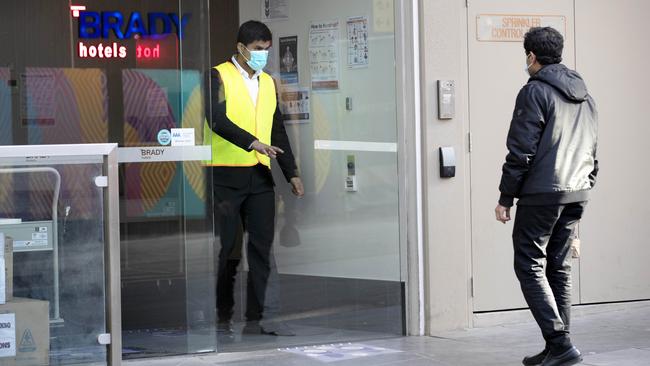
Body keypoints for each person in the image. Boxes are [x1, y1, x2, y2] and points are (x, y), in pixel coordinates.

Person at [494, 27, 598, 366]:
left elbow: (520, 150)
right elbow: (592, 148)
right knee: (558, 268)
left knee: (529, 264)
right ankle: (558, 347)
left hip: (543, 193)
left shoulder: (534, 92)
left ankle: (559, 342)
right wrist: (587, 182)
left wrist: (506, 197)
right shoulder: (585, 95)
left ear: (531, 56)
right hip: (576, 191)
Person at [203, 20, 304, 337]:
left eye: (267, 50)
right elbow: (216, 120)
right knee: (230, 252)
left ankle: (264, 319)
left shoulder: (269, 83)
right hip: (225, 175)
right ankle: (224, 317)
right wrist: (251, 142)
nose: (263, 55)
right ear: (241, 48)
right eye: (259, 50)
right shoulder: (218, 76)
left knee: (263, 249)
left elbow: (277, 131)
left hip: (260, 175)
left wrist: (292, 173)